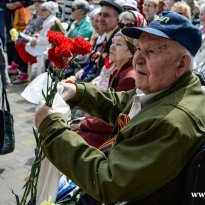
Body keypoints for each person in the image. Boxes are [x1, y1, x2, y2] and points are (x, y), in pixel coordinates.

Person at [35, 11, 205, 205]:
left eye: (151, 52)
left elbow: (107, 182)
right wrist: (77, 92)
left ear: (181, 63)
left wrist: (52, 129)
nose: (137, 59)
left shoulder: (170, 122)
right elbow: (122, 104)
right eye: (139, 49)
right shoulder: (170, 86)